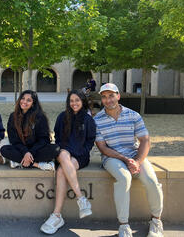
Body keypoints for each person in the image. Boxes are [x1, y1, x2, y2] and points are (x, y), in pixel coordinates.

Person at [94, 83, 163, 237]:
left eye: (111, 95)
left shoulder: (133, 115)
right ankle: (124, 225)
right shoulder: (97, 119)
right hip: (112, 157)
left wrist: (137, 161)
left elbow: (145, 140)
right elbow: (103, 148)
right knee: (124, 178)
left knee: (152, 181)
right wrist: (125, 159)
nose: (108, 100)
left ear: (118, 96)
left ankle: (156, 221)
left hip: (135, 155)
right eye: (104, 97)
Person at [40, 90, 96, 234]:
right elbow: (57, 138)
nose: (74, 103)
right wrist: (65, 153)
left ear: (82, 101)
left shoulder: (89, 120)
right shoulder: (62, 117)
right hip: (63, 153)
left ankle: (57, 215)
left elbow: (90, 143)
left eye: (77, 100)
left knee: (61, 171)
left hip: (80, 157)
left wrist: (75, 155)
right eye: (71, 100)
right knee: (63, 154)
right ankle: (81, 198)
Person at [0, 90, 59, 171]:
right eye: (23, 98)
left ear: (33, 103)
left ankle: (19, 162)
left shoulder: (40, 117)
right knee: (4, 150)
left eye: (28, 100)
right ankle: (37, 165)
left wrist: (30, 152)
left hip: (36, 150)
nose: (24, 102)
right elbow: (14, 140)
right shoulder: (13, 116)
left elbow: (44, 139)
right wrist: (25, 152)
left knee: (55, 149)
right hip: (21, 149)